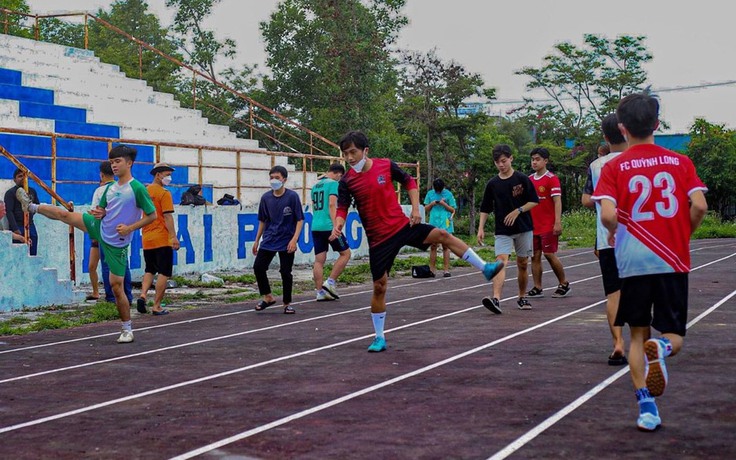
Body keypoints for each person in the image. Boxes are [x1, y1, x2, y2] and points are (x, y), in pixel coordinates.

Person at [592, 93, 708, 432]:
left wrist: (614, 232)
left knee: (637, 336)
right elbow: (699, 206)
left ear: (623, 128)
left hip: (632, 261)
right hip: (672, 259)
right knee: (674, 334)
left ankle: (646, 407)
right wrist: (682, 233)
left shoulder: (613, 166)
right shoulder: (681, 162)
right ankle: (664, 347)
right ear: (657, 124)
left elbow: (609, 214)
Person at [333, 131, 503, 353]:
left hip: (403, 227)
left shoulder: (385, 165)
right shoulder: (347, 181)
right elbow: (342, 207)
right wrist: (338, 223)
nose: (350, 158)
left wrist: (416, 209)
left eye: (353, 152)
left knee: (443, 235)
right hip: (379, 240)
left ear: (366, 151)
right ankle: (379, 337)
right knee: (379, 287)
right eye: (345, 154)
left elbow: (409, 181)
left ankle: (486, 268)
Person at [17, 145, 156, 343]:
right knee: (65, 215)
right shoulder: (108, 188)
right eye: (112, 162)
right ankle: (30, 206)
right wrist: (101, 213)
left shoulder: (137, 188)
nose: (114, 165)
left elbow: (152, 215)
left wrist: (130, 228)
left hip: (117, 242)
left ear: (129, 163)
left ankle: (127, 329)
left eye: (118, 162)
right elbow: (103, 210)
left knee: (116, 286)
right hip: (99, 226)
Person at [582, 114, 629, 366]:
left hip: (607, 239)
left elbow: (586, 199)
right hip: (638, 238)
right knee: (641, 290)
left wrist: (603, 200)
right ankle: (645, 342)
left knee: (613, 293)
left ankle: (618, 343)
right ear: (626, 131)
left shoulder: (597, 165)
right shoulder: (638, 160)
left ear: (605, 136)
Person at [477, 144, 539, 311]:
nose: (501, 165)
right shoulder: (492, 184)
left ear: (511, 158)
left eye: (504, 161)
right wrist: (481, 228)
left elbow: (534, 200)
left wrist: (518, 211)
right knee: (501, 262)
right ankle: (496, 299)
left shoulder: (522, 179)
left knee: (523, 263)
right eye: (497, 162)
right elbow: (485, 208)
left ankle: (522, 296)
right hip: (502, 230)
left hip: (524, 228)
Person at [252, 165, 304, 314]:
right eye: (271, 177)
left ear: (284, 180)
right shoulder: (266, 198)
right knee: (259, 267)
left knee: (285, 272)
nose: (274, 180)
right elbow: (262, 220)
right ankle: (268, 296)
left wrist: (294, 240)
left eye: (277, 178)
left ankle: (287, 303)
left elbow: (299, 220)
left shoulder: (292, 197)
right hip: (269, 239)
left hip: (286, 239)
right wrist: (257, 240)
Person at [137, 163, 180, 315]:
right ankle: (157, 305)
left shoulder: (144, 191)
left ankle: (142, 295)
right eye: (167, 174)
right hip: (162, 238)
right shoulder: (164, 193)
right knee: (164, 272)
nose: (169, 178)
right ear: (158, 175)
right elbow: (167, 216)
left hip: (147, 238)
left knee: (149, 269)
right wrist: (173, 236)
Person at [526, 147, 570, 299]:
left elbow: (557, 202)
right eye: (532, 159)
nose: (534, 162)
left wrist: (557, 222)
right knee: (535, 256)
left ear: (546, 161)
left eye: (537, 159)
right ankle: (537, 287)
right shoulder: (530, 179)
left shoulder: (552, 178)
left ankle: (564, 283)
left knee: (549, 254)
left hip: (548, 224)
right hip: (533, 225)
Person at [311, 162, 351, 301]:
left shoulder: (315, 185)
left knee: (319, 261)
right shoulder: (333, 184)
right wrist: (336, 226)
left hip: (316, 225)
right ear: (339, 174)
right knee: (345, 253)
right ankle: (330, 282)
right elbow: (332, 204)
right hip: (329, 226)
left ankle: (319, 292)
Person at [423, 178, 457, 277]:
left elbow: (453, 210)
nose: (438, 191)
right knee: (433, 246)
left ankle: (446, 270)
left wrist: (443, 204)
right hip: (434, 221)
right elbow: (425, 208)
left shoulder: (448, 194)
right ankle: (432, 269)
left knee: (446, 246)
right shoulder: (430, 194)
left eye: (440, 190)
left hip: (445, 222)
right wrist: (432, 203)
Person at [4, 168, 39, 255]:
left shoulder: (32, 191)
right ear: (14, 180)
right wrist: (15, 229)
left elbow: (36, 205)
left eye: (24, 176)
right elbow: (9, 211)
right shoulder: (10, 193)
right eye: (20, 176)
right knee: (19, 253)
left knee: (33, 249)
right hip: (17, 225)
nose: (23, 178)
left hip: (30, 225)